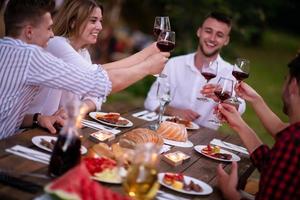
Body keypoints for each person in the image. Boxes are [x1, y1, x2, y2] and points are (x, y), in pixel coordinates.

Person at [0, 0, 169, 139]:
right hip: (13, 142)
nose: (52, 35)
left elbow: (8, 112)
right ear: (29, 31)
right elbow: (97, 82)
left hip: (30, 131)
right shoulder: (34, 54)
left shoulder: (9, 50)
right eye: (48, 28)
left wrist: (37, 118)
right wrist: (147, 66)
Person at [27, 0, 162, 117]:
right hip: (34, 127)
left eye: (100, 21)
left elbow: (95, 93)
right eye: (93, 20)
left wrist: (82, 107)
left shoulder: (83, 53)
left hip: (59, 126)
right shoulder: (57, 44)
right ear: (73, 22)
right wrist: (147, 62)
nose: (100, 27)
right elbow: (98, 82)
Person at [216, 54, 300, 199]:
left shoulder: (293, 142)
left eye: (285, 79)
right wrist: (240, 125)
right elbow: (274, 166)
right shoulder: (291, 139)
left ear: (293, 85)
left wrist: (231, 194)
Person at [144, 11, 246, 130]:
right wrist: (174, 111)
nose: (212, 38)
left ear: (226, 40)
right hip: (168, 129)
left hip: (203, 141)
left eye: (219, 35)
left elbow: (240, 107)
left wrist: (225, 98)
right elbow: (150, 101)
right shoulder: (174, 64)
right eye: (208, 31)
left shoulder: (229, 72)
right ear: (199, 32)